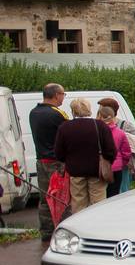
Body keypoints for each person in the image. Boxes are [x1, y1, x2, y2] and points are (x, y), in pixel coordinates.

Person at [54, 98, 116, 215]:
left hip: (75, 171)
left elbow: (59, 153)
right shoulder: (100, 125)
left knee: (78, 203)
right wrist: (108, 161)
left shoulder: (65, 127)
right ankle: (97, 224)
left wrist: (68, 161)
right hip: (97, 170)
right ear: (89, 109)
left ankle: (80, 224)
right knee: (98, 203)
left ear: (73, 111)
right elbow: (110, 150)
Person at [29, 83, 67, 241]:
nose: (64, 97)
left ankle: (46, 231)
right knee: (61, 198)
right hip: (56, 162)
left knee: (45, 198)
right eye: (63, 94)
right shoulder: (57, 114)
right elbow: (67, 135)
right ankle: (63, 231)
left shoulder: (33, 112)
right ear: (56, 95)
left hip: (41, 161)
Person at [98, 105, 133, 199]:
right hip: (116, 167)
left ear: (100, 117)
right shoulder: (120, 133)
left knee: (100, 196)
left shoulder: (97, 132)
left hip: (100, 168)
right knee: (114, 195)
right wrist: (122, 163)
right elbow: (126, 152)